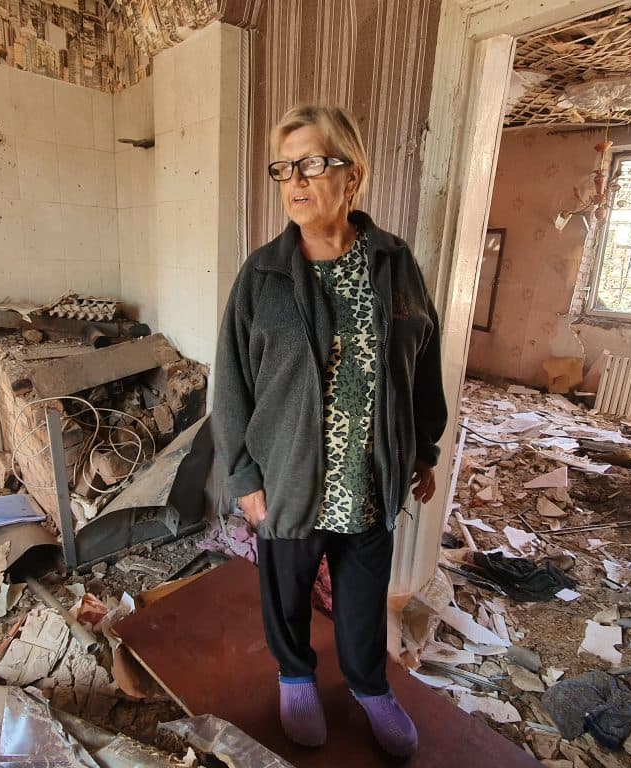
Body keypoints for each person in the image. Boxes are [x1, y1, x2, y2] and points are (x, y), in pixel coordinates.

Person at [213, 104, 448, 757]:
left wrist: (424, 447)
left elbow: (423, 360)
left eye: (311, 164)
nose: (294, 181)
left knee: (362, 599)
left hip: (370, 477)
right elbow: (229, 384)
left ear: (352, 175)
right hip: (288, 478)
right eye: (283, 168)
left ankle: (370, 686)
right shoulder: (262, 275)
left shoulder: (394, 262)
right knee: (286, 591)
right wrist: (243, 475)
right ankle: (294, 677)